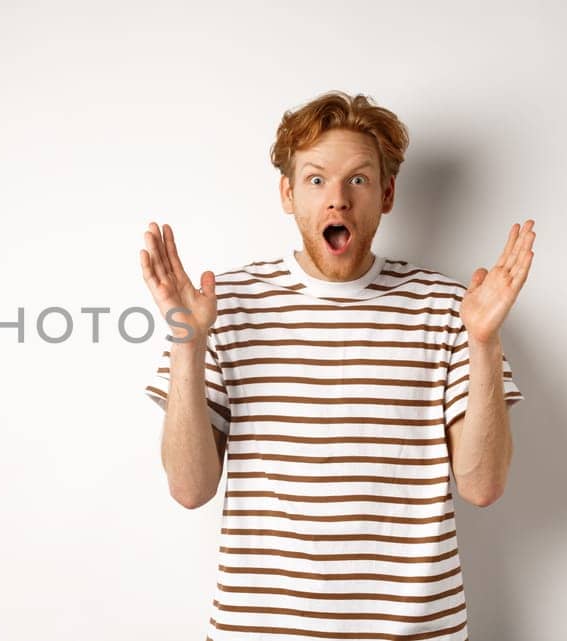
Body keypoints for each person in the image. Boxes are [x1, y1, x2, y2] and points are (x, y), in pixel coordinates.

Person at [138, 90, 536, 640]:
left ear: (387, 193)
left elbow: (482, 486)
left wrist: (484, 341)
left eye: (359, 179)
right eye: (316, 179)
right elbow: (189, 489)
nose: (338, 200)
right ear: (287, 193)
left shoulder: (453, 309)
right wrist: (187, 341)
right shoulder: (218, 307)